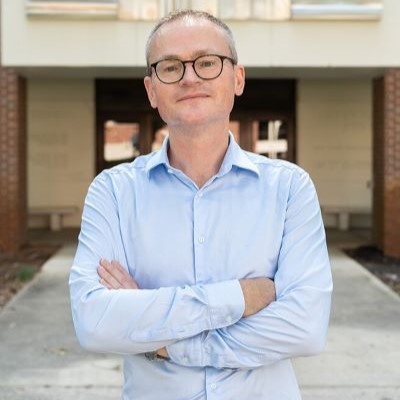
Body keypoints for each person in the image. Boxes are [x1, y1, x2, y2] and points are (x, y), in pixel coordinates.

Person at [69, 9, 332, 400]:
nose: (190, 77)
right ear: (151, 90)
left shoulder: (289, 188)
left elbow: (305, 327)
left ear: (237, 79)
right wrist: (242, 297)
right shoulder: (113, 192)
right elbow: (94, 321)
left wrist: (162, 339)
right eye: (170, 66)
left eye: (207, 62)